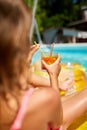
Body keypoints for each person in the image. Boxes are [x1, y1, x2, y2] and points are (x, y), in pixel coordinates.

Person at [0, 1, 87, 130]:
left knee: (72, 96)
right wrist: (53, 75)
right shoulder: (46, 98)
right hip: (51, 114)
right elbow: (58, 119)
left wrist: (22, 65)